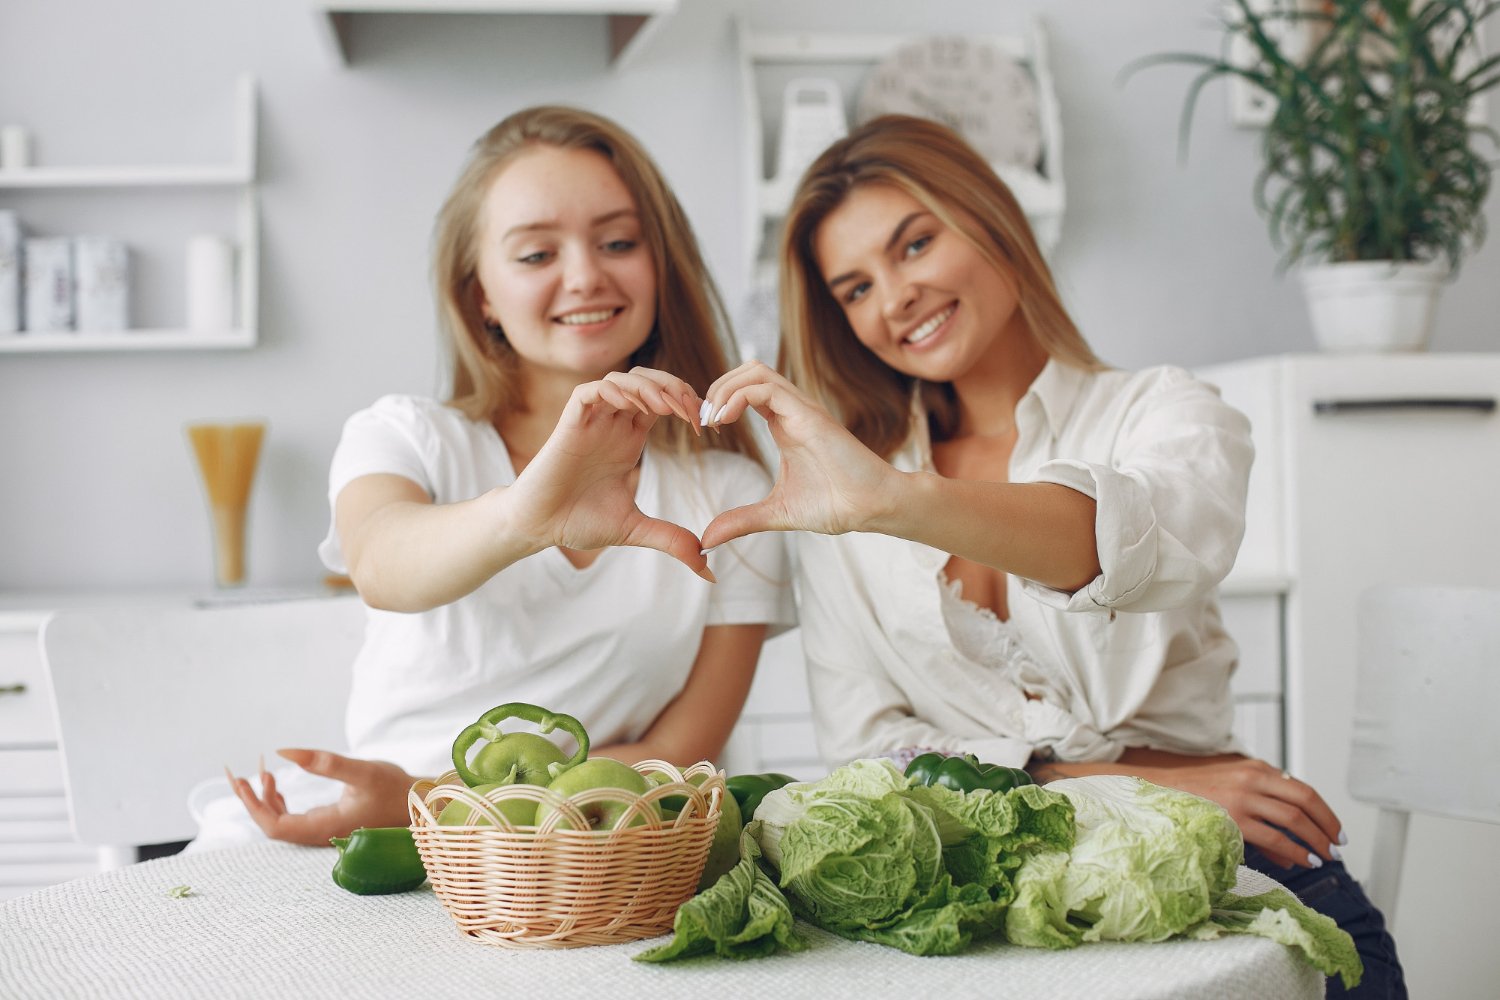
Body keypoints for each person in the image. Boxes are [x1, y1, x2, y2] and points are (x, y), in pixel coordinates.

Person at [695, 115, 1402, 998]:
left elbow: (1142, 547)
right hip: (989, 912)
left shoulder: (1166, 412)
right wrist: (1119, 782)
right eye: (855, 288)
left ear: (991, 218)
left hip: (1227, 866)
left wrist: (899, 503)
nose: (894, 298)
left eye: (915, 245)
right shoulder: (847, 497)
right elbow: (867, 754)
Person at [209, 106, 793, 848]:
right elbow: (382, 565)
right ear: (480, 292)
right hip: (365, 839)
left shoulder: (731, 496)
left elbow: (677, 755)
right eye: (535, 256)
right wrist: (524, 514)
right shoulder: (403, 437)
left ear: (660, 266)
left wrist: (430, 801)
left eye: (618, 242)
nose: (585, 275)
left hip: (580, 851)